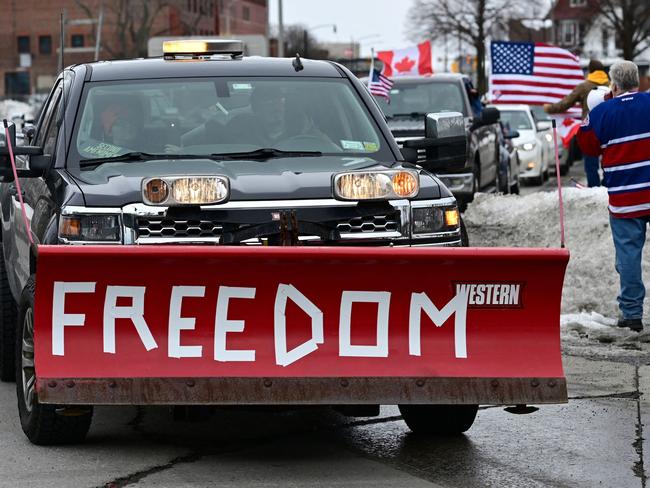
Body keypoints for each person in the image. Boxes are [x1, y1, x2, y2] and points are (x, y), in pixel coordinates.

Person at [577, 60, 650, 332]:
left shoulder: (601, 112)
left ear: (614, 84)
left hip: (625, 198)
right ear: (637, 81)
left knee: (629, 256)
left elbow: (587, 146)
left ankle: (632, 315)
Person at [545, 59, 610, 187]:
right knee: (610, 160)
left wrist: (549, 108)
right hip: (609, 128)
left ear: (590, 71)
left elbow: (566, 103)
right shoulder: (611, 85)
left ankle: (594, 189)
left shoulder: (584, 87)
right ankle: (607, 187)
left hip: (590, 130)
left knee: (591, 164)